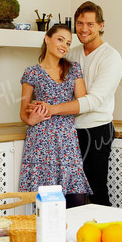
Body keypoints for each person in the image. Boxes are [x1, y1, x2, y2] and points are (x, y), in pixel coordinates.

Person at [31, 1, 122, 207]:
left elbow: (93, 101)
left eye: (90, 24)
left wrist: (52, 109)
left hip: (96, 130)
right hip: (67, 131)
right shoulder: (71, 54)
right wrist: (36, 107)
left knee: (97, 191)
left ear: (101, 25)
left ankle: (103, 238)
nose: (84, 29)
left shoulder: (111, 57)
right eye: (80, 23)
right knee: (68, 193)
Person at [18, 24, 92, 207]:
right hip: (41, 141)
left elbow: (80, 104)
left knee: (77, 198)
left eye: (68, 43)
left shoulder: (73, 69)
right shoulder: (31, 72)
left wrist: (51, 108)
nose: (64, 46)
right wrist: (32, 118)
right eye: (60, 39)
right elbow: (23, 113)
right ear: (47, 38)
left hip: (67, 140)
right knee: (48, 203)